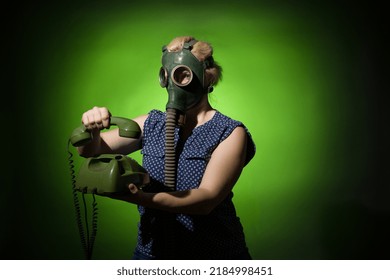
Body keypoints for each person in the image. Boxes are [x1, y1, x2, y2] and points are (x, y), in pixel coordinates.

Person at [77, 36, 256, 260]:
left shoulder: (229, 132)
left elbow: (206, 200)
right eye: (167, 75)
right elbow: (90, 151)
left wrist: (140, 198)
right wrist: (91, 128)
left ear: (206, 78)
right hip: (153, 254)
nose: (174, 83)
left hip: (213, 255)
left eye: (182, 74)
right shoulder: (151, 124)